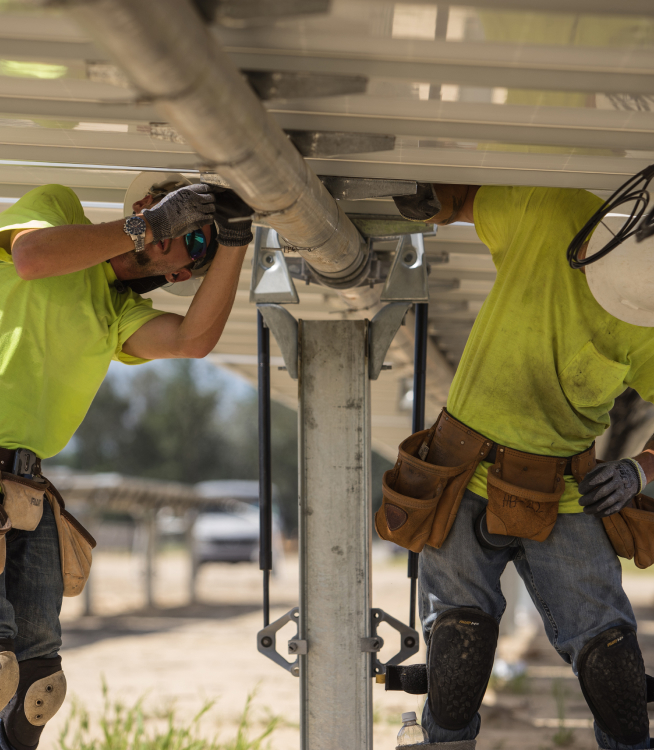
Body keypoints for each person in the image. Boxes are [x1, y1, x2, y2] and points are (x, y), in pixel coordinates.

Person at [383, 181, 654, 750]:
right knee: (460, 641)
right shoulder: (552, 211)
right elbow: (460, 200)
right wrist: (427, 195)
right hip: (463, 470)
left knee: (610, 655)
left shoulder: (649, 313)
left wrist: (640, 469)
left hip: (567, 488)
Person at [0, 172, 252, 750]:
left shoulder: (119, 316)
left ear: (182, 273)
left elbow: (192, 339)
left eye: (194, 238)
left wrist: (235, 242)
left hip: (26, 490)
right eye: (173, 212)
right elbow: (32, 257)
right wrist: (152, 224)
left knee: (37, 685)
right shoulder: (59, 215)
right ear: (142, 206)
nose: (174, 231)